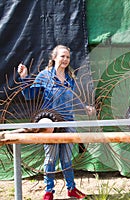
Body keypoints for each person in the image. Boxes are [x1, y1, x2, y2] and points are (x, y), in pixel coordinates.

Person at [18, 45, 93, 200]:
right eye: (62, 56)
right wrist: (24, 78)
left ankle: (71, 189)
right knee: (51, 158)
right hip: (51, 124)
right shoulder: (44, 76)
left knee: (66, 158)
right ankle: (48, 192)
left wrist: (85, 108)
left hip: (69, 123)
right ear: (54, 57)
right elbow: (29, 95)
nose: (65, 59)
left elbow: (73, 99)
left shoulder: (70, 79)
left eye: (67, 57)